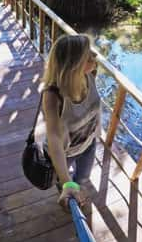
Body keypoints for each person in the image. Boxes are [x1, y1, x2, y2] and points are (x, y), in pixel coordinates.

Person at [41, 34, 101, 209]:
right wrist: (67, 183)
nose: (95, 56)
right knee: (66, 182)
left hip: (88, 144)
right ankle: (68, 201)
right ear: (74, 65)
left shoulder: (90, 74)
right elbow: (53, 137)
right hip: (65, 152)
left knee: (82, 178)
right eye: (88, 55)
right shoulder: (52, 95)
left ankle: (75, 191)